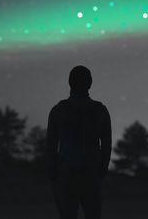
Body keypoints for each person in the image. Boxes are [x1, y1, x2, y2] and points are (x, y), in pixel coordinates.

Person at [47, 65, 112, 219]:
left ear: (70, 83)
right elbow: (107, 147)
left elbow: (51, 146)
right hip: (90, 174)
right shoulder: (100, 110)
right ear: (90, 83)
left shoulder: (58, 110)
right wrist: (100, 171)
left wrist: (53, 174)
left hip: (67, 174)